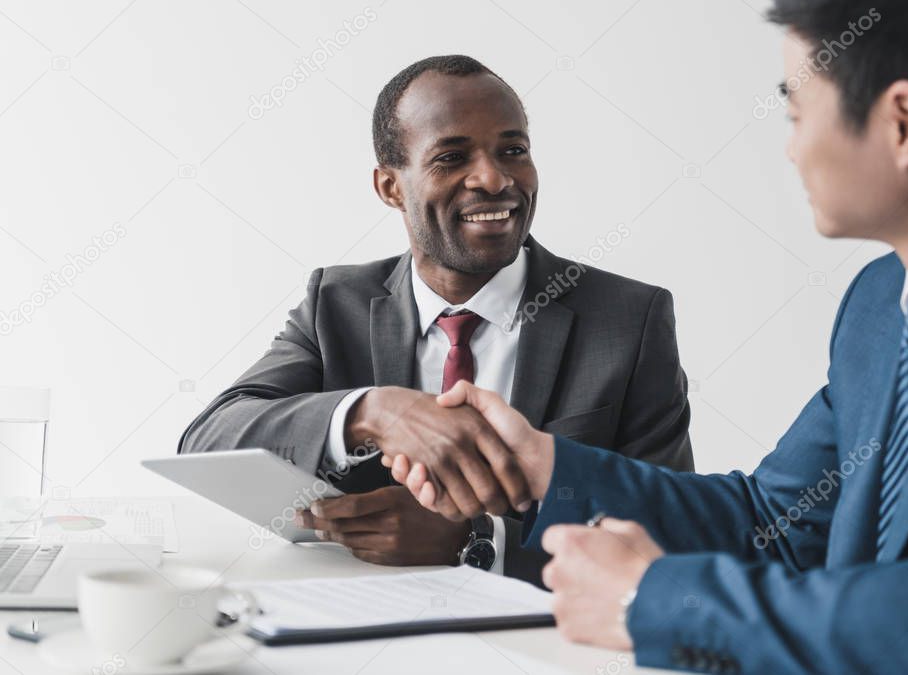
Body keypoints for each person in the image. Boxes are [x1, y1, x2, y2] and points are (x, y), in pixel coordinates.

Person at [385, 0, 908, 671]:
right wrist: (538, 465)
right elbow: (772, 525)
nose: (789, 147)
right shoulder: (877, 306)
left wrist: (649, 598)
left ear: (902, 124)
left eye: (796, 113)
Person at [178, 55, 693, 585]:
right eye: (451, 157)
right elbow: (209, 442)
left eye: (512, 151)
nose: (494, 179)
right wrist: (371, 411)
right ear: (390, 187)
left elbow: (671, 533)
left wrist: (479, 540)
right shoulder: (336, 303)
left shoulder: (629, 320)